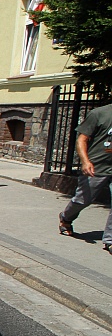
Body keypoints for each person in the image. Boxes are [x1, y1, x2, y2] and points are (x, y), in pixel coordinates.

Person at [58, 102, 112, 254]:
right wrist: (85, 161)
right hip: (97, 166)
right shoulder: (99, 113)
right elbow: (82, 139)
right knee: (83, 200)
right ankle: (66, 217)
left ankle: (109, 240)